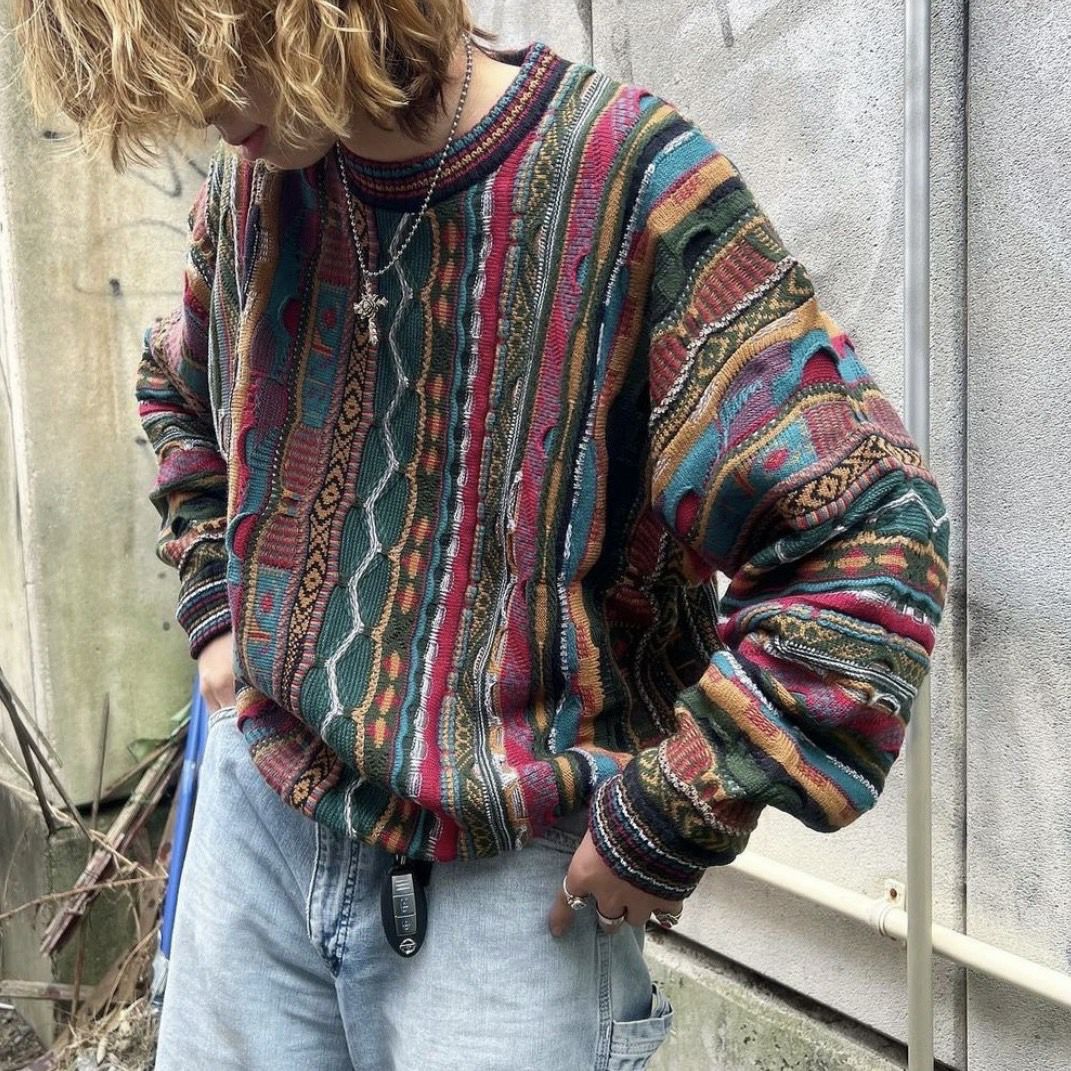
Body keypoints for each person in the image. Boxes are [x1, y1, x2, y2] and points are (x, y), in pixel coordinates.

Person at [12, 2, 950, 1068]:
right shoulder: (256, 184)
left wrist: (676, 810)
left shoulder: (625, 184)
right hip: (256, 828)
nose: (204, 110)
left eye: (223, 59)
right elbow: (178, 387)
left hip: (506, 881)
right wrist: (214, 608)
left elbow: (872, 533)